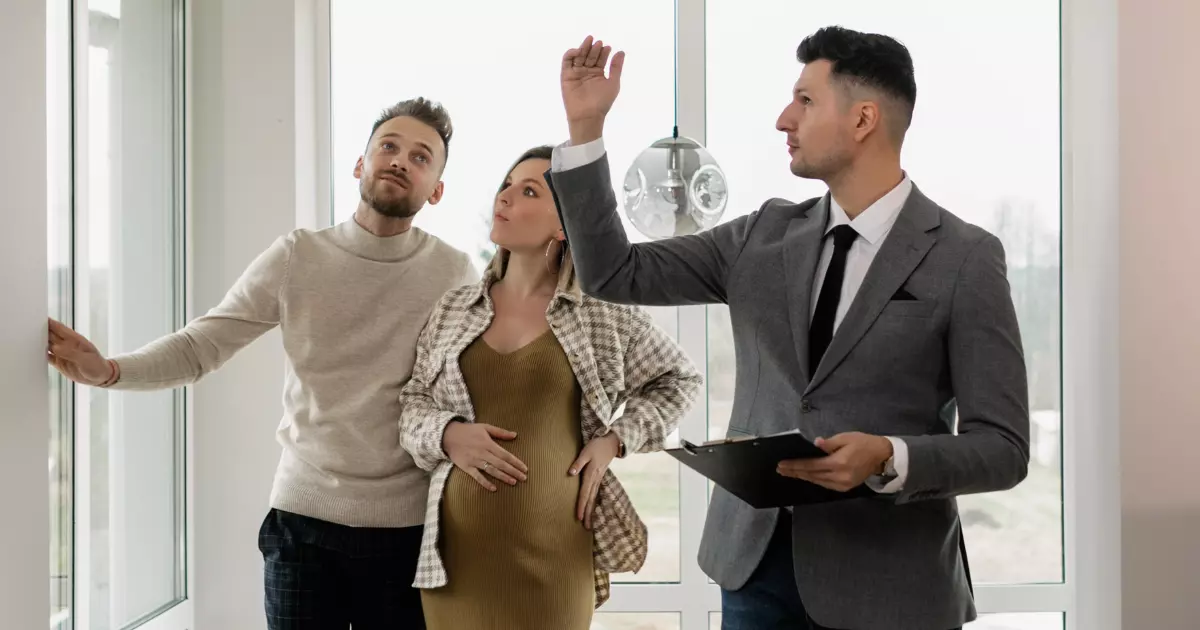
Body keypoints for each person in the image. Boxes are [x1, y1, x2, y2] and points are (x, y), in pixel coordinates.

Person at [550, 29, 1031, 630]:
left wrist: (890, 456)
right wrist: (586, 132)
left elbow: (1004, 449)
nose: (784, 119)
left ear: (862, 120)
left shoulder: (964, 258)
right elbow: (614, 272)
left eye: (805, 100)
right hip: (754, 571)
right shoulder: (761, 236)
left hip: (892, 586)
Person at [45, 97, 477, 630]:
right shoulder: (300, 255)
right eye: (388, 146)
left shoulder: (453, 273)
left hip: (406, 532)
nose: (399, 160)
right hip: (302, 522)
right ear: (359, 164)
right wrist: (110, 370)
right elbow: (203, 343)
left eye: (420, 157)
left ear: (435, 189)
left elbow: (482, 378)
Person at [396, 145, 703, 630]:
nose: (506, 196)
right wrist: (447, 434)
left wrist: (614, 441)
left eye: (529, 190)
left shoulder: (602, 312)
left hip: (555, 560)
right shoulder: (454, 309)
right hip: (456, 566)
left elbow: (680, 380)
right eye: (507, 185)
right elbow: (412, 404)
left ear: (564, 225)